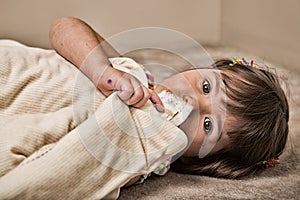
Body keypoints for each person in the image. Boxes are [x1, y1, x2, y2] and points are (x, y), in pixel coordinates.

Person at [0, 17, 289, 198]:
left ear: (202, 160)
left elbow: (58, 175)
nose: (193, 102)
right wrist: (103, 71)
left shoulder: (144, 159)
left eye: (208, 125)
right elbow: (64, 26)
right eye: (206, 88)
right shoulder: (134, 72)